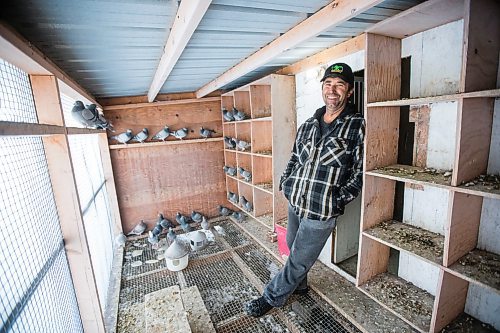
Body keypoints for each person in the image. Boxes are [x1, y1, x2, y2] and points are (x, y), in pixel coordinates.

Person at [244, 62, 365, 317]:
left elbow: (360, 170)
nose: (332, 90)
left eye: (339, 85)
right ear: (323, 88)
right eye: (328, 84)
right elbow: (295, 158)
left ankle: (271, 297)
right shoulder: (309, 124)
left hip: (321, 209)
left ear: (349, 91)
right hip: (296, 200)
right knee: (291, 244)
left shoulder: (357, 125)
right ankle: (300, 287)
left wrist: (337, 199)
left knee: (298, 259)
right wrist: (286, 183)